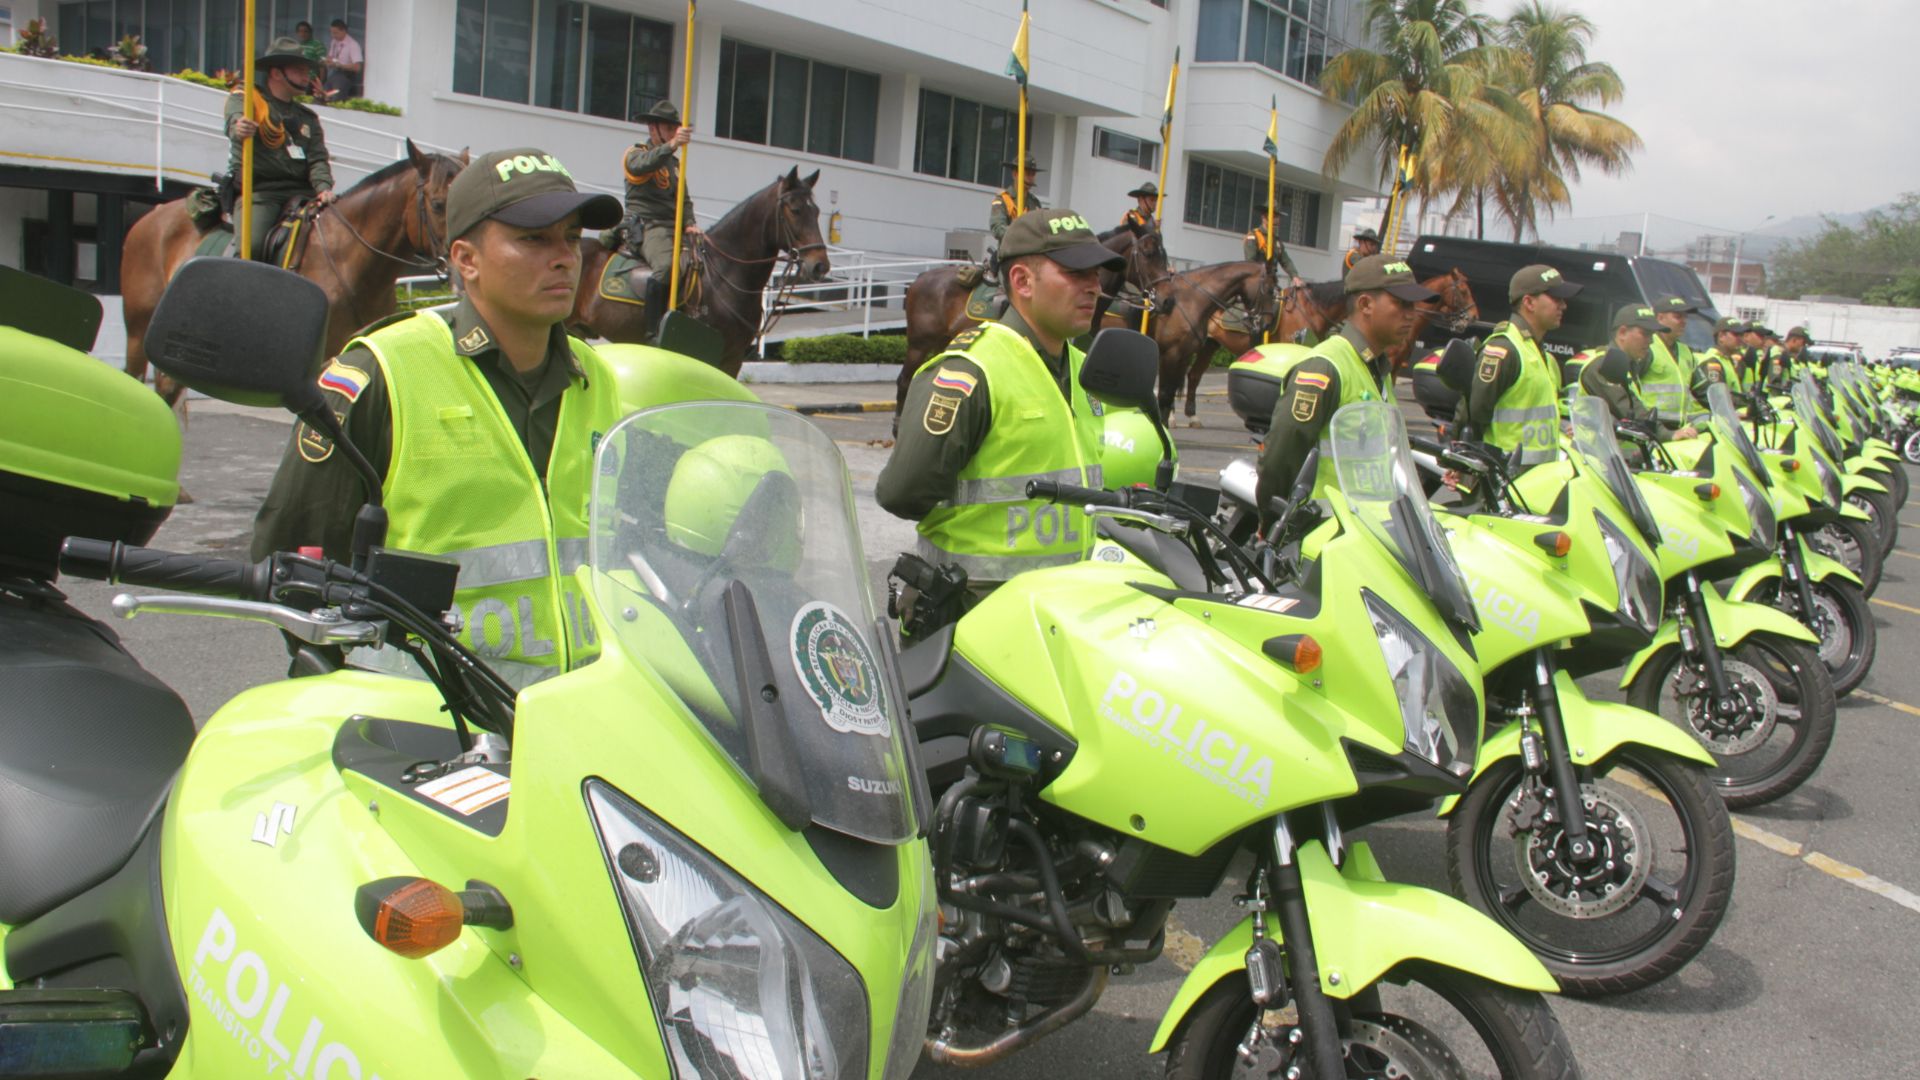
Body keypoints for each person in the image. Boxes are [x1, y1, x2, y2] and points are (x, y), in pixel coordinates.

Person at [250, 148, 625, 688]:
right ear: (466, 260)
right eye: (533, 238)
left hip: (572, 718)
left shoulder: (598, 377)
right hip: (423, 724)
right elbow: (293, 561)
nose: (566, 256)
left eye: (570, 237)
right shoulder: (383, 371)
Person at [878, 208, 1122, 590]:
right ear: (1023, 281)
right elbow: (901, 494)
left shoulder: (1083, 369)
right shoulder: (972, 370)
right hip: (973, 610)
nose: (1094, 286)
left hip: (1060, 608)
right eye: (1076, 273)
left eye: (1096, 273)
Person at [1254, 254, 1438, 527]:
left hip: (1368, 533)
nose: (1412, 314)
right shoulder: (1325, 368)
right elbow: (1280, 457)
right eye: (1402, 304)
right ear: (1365, 304)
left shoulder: (1378, 369)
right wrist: (1273, 524)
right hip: (1324, 533)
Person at [1454, 264, 1582, 468]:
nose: (1563, 306)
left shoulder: (1545, 357)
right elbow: (1473, 413)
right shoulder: (1505, 349)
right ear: (1529, 302)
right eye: (1555, 298)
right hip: (1504, 478)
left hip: (1540, 479)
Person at [224, 36, 335, 262]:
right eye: (299, 70)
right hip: (263, 192)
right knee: (251, 247)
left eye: (307, 71)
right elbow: (236, 122)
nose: (307, 77)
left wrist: (323, 188)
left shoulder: (308, 118)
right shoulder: (247, 100)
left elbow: (317, 159)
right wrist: (240, 127)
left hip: (304, 194)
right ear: (276, 73)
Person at [620, 99, 701, 339]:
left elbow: (684, 199)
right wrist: (673, 144)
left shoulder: (675, 164)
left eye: (675, 129)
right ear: (652, 128)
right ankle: (652, 331)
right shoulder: (636, 154)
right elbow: (642, 166)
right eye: (668, 128)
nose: (673, 133)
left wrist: (690, 223)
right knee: (665, 267)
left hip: (673, 226)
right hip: (648, 224)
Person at [1579, 304, 1697, 440]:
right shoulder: (1604, 364)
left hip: (1615, 453)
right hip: (1594, 454)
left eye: (1652, 335)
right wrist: (1668, 434)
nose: (1651, 341)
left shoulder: (1629, 364)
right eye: (1645, 334)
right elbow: (1629, 409)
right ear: (1622, 333)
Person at [1244, 202, 1305, 292]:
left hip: (1271, 282)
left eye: (1277, 217)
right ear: (1264, 217)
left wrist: (1295, 276)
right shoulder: (1254, 236)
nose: (1276, 220)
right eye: (1273, 217)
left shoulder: (1276, 241)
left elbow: (1286, 261)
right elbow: (1250, 263)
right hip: (1256, 282)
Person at [1690, 317, 1748, 402]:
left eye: (1741, 335)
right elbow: (1716, 397)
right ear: (1721, 336)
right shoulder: (1713, 362)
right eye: (1736, 334)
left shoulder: (1726, 360)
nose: (1740, 338)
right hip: (1708, 414)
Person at [988, 158, 1044, 245]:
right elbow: (997, 229)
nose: (1030, 178)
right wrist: (1021, 233)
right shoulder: (1003, 200)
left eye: (1033, 174)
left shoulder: (1035, 203)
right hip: (1009, 253)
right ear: (1015, 174)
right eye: (1027, 173)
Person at [321, 18, 363, 100]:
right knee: (323, 95)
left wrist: (340, 65)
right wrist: (327, 61)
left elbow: (357, 67)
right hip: (335, 72)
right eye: (331, 33)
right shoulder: (334, 41)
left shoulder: (353, 44)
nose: (333, 35)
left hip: (346, 74)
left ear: (344, 31)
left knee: (336, 97)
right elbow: (331, 56)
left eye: (336, 33)